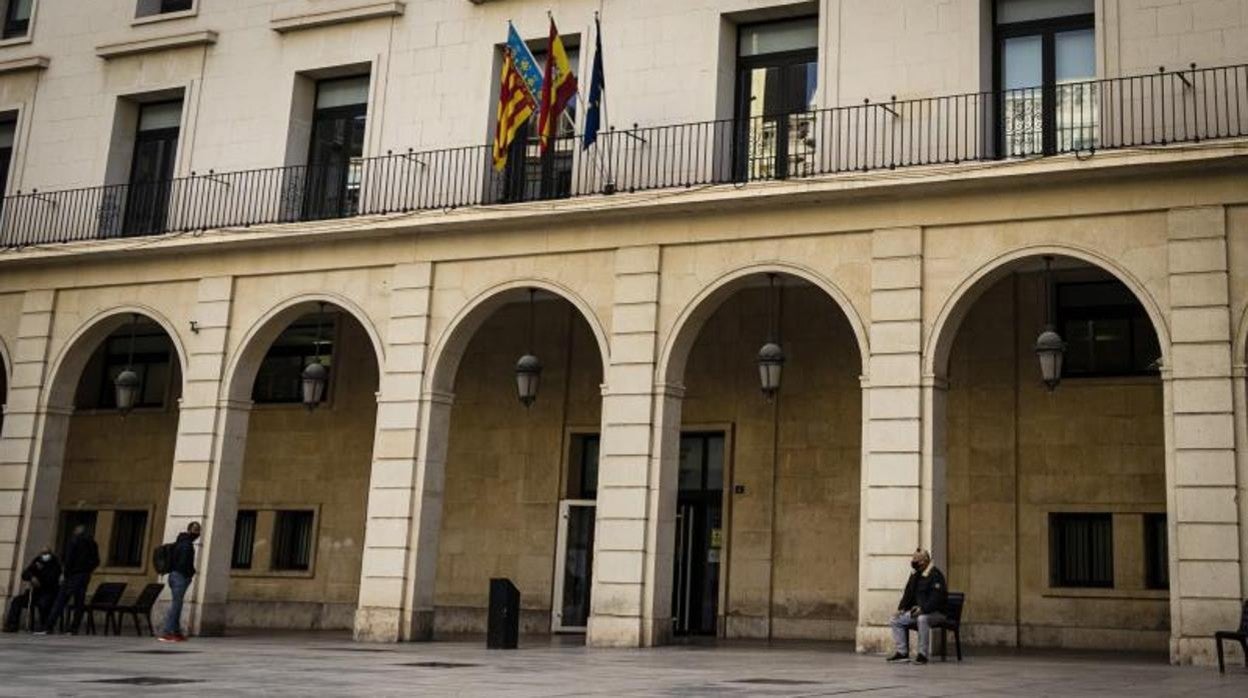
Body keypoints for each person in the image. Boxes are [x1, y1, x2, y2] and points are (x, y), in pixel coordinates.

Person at [886, 548, 948, 665]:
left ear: (925, 561)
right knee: (895, 620)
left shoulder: (935, 575)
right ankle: (902, 653)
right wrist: (901, 609)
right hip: (918, 611)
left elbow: (936, 599)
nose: (913, 561)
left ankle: (922, 654)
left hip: (936, 613)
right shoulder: (915, 574)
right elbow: (908, 592)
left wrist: (923, 609)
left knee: (922, 619)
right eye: (913, 558)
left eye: (916, 559)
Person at [47, 525, 100, 635]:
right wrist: (88, 570)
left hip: (72, 575)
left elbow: (69, 560)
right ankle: (73, 628)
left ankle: (49, 626)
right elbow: (96, 561)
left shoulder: (74, 542)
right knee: (79, 602)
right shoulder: (92, 543)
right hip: (84, 575)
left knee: (61, 600)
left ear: (77, 532)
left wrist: (64, 574)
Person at [3, 548, 62, 633]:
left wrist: (42, 573)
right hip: (34, 593)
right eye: (42, 553)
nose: (44, 556)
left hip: (48, 592)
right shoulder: (37, 561)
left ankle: (45, 626)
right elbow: (25, 573)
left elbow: (52, 579)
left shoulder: (55, 564)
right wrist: (31, 577)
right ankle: (12, 625)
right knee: (17, 601)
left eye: (46, 553)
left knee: (44, 604)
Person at [159, 521, 200, 642]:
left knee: (177, 604)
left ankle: (175, 632)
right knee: (176, 605)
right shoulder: (187, 545)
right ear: (189, 530)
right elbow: (184, 563)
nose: (197, 532)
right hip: (180, 577)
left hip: (174, 576)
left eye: (198, 530)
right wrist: (191, 572)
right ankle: (167, 632)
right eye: (195, 529)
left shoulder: (179, 542)